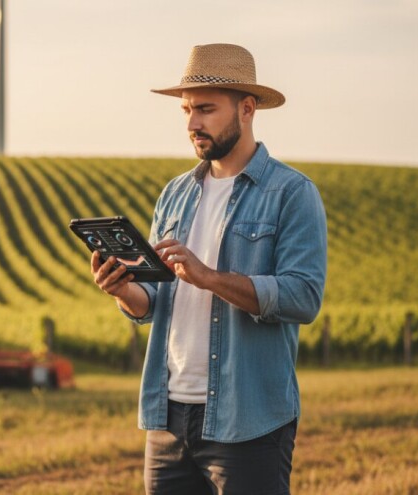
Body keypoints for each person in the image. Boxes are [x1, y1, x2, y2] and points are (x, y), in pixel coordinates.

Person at [90, 43, 327, 494]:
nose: (192, 123)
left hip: (248, 420)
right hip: (168, 417)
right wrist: (121, 289)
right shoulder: (175, 194)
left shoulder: (292, 193)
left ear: (247, 109)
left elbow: (303, 296)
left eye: (205, 109)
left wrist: (209, 277)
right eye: (185, 111)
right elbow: (154, 303)